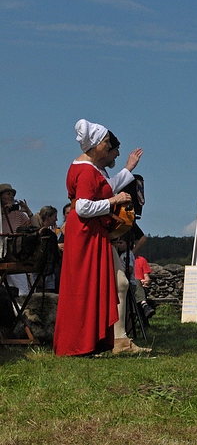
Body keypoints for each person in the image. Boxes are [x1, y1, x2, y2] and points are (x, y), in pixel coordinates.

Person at [53, 119, 140, 356]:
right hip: (85, 232)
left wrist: (127, 171)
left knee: (94, 285)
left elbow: (105, 186)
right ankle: (79, 342)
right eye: (106, 142)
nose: (109, 144)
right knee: (84, 286)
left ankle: (94, 340)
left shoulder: (89, 168)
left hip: (90, 231)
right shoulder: (85, 170)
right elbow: (82, 207)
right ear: (96, 145)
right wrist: (114, 201)